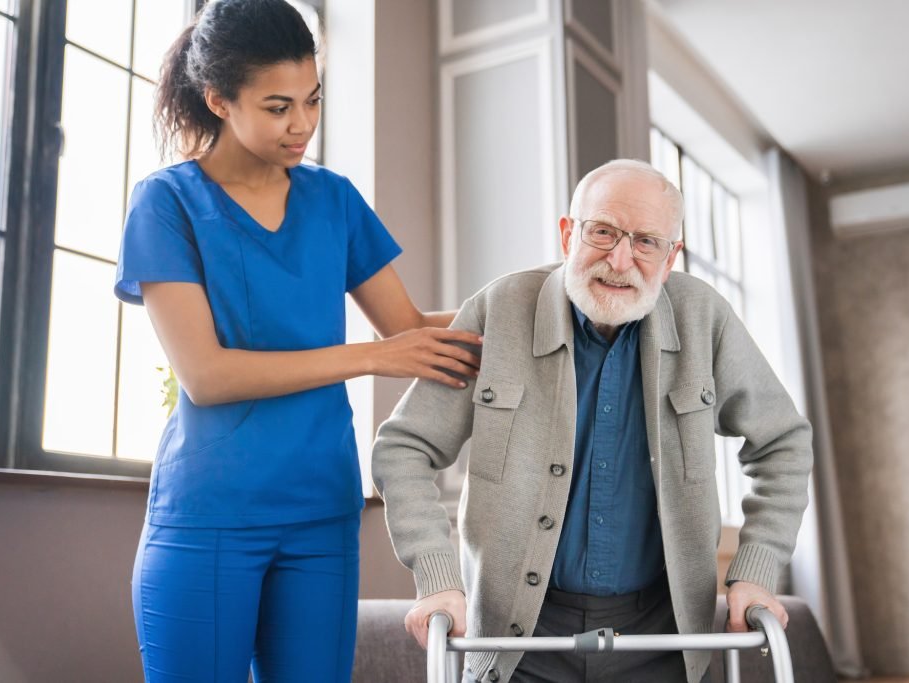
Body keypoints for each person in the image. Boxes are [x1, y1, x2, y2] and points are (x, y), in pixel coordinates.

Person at [115, 1, 480, 681]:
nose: (303, 124)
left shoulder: (333, 200)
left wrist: (541, 304)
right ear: (219, 100)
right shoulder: (166, 203)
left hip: (321, 513)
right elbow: (206, 376)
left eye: (312, 99)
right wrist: (371, 358)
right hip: (209, 514)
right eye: (278, 107)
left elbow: (409, 330)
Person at [372, 159, 814, 683]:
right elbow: (405, 446)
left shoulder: (704, 316)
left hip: (663, 638)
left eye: (646, 242)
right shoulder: (500, 308)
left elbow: (783, 442)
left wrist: (757, 567)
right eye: (602, 232)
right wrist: (437, 576)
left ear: (670, 258)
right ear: (568, 234)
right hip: (516, 642)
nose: (620, 260)